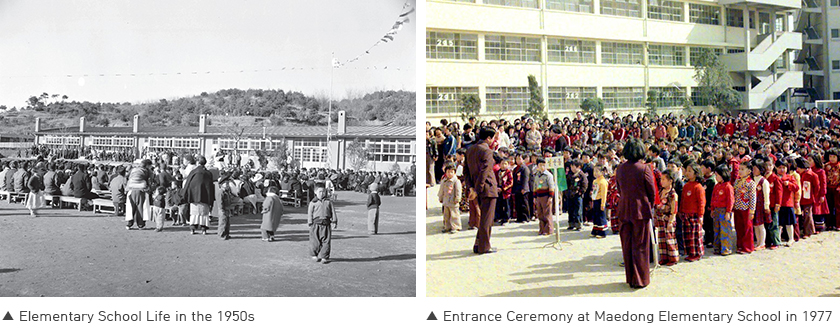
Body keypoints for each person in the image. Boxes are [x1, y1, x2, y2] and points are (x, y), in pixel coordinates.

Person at [615, 138, 657, 289]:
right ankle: (640, 279)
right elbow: (651, 191)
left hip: (624, 208)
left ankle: (630, 277)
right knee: (640, 245)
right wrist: (649, 205)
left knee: (627, 244)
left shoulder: (620, 168)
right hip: (641, 210)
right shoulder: (644, 168)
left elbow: (619, 189)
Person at [464, 126, 499, 254]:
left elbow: (466, 172)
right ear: (488, 138)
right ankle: (484, 246)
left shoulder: (470, 150)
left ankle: (478, 244)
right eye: (493, 138)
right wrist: (477, 189)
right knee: (487, 220)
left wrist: (472, 188)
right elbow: (484, 172)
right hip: (487, 188)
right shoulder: (487, 151)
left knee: (484, 218)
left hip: (476, 188)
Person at [181, 156, 215, 235]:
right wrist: (212, 199)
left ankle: (193, 228)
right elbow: (211, 186)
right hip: (205, 196)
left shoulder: (193, 172)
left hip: (194, 196)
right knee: (204, 213)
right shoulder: (208, 173)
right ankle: (203, 229)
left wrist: (183, 194)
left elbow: (187, 183)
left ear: (197, 162)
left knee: (194, 214)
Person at [680, 162, 707, 262]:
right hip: (686, 214)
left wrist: (700, 215)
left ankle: (697, 253)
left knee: (695, 235)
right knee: (688, 235)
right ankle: (690, 252)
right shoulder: (686, 186)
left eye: (690, 171)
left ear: (696, 173)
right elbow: (683, 200)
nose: (687, 173)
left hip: (694, 214)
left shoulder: (698, 187)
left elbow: (701, 202)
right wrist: (681, 210)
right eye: (687, 170)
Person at [655, 169, 679, 266]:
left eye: (664, 179)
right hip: (660, 219)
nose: (662, 181)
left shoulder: (673, 194)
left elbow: (674, 210)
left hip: (668, 219)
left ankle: (673, 258)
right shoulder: (660, 191)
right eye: (661, 179)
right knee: (661, 239)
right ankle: (664, 257)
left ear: (670, 181)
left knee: (670, 239)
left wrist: (670, 221)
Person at [308, 187, 338, 263]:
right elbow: (310, 213)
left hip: (326, 224)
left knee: (326, 241)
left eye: (323, 192)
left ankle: (324, 257)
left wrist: (334, 221)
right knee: (315, 241)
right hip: (316, 224)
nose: (322, 193)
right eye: (320, 192)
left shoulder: (329, 202)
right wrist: (310, 222)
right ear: (315, 192)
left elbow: (333, 212)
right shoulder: (313, 202)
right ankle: (314, 255)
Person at [711, 164, 735, 256]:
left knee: (725, 230)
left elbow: (730, 200)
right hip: (717, 210)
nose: (716, 177)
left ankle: (726, 248)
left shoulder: (728, 187)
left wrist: (728, 212)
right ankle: (717, 247)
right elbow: (713, 198)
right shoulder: (716, 186)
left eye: (717, 175)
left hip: (724, 210)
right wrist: (712, 209)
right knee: (716, 229)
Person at [733, 163, 756, 254]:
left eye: (742, 169)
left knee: (747, 228)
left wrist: (752, 210)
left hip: (746, 208)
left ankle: (747, 247)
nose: (740, 171)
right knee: (739, 227)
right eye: (739, 169)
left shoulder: (751, 183)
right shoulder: (737, 181)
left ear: (749, 171)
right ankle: (740, 245)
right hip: (737, 207)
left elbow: (753, 197)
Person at [126, 160, 153, 230]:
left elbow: (128, 177)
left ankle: (129, 223)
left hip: (131, 189)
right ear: (147, 165)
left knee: (131, 207)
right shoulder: (147, 171)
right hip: (141, 190)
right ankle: (140, 224)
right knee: (141, 207)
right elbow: (150, 181)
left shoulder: (133, 169)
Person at [533, 158, 556, 236]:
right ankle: (542, 229)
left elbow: (551, 186)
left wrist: (550, 197)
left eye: (543, 165)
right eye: (540, 165)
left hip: (546, 196)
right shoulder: (537, 175)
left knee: (547, 213)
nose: (542, 167)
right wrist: (534, 196)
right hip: (539, 196)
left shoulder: (548, 175)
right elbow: (535, 186)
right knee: (540, 213)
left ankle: (548, 229)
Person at [751, 160, 770, 251]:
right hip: (753, 205)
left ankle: (762, 242)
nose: (754, 170)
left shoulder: (764, 181)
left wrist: (766, 206)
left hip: (760, 205)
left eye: (756, 168)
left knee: (760, 225)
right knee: (755, 224)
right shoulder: (752, 179)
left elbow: (766, 195)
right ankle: (758, 242)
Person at [438, 162, 462, 233]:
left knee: (454, 215)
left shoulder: (456, 181)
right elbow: (441, 190)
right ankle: (447, 226)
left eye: (451, 172)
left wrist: (457, 198)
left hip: (453, 201)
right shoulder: (444, 181)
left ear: (454, 173)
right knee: (446, 215)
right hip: (446, 201)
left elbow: (458, 191)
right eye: (448, 172)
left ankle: (455, 227)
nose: (450, 174)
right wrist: (440, 197)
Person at [566, 159, 587, 231]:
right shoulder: (569, 174)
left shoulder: (581, 175)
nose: (572, 168)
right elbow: (567, 183)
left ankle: (579, 224)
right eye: (571, 166)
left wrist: (581, 192)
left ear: (578, 167)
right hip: (570, 194)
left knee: (578, 210)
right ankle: (571, 224)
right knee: (570, 210)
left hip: (578, 195)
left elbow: (584, 184)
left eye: (573, 166)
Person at [512, 153, 532, 223]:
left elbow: (526, 179)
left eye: (519, 159)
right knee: (518, 203)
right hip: (517, 188)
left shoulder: (525, 168)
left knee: (524, 204)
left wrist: (524, 188)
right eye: (517, 159)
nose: (518, 160)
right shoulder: (515, 168)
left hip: (523, 188)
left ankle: (525, 217)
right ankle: (519, 217)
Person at [590, 165, 608, 238]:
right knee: (596, 216)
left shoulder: (603, 182)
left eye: (597, 171)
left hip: (601, 200)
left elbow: (604, 194)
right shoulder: (595, 181)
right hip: (595, 199)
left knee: (601, 216)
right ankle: (596, 230)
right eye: (595, 171)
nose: (596, 173)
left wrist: (603, 203)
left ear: (602, 172)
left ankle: (602, 232)